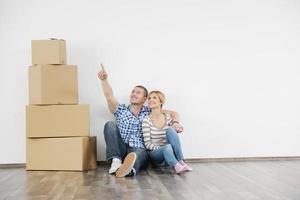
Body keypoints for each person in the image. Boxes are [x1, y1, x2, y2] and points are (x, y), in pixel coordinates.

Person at [97, 64, 182, 177]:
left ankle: (129, 169)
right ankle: (116, 162)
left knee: (137, 155)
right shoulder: (120, 109)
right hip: (121, 147)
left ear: (144, 99)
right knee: (109, 125)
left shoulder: (149, 111)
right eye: (133, 91)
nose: (133, 94)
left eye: (138, 92)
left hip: (139, 148)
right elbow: (109, 96)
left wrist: (176, 123)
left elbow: (174, 113)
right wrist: (104, 80)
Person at [142, 90, 192, 174]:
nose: (150, 100)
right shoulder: (146, 120)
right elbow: (147, 144)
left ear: (161, 101)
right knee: (167, 147)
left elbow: (173, 133)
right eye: (149, 98)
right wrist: (163, 149)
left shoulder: (167, 117)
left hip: (169, 154)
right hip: (155, 155)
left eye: (154, 97)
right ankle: (177, 166)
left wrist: (178, 127)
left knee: (170, 130)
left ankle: (181, 161)